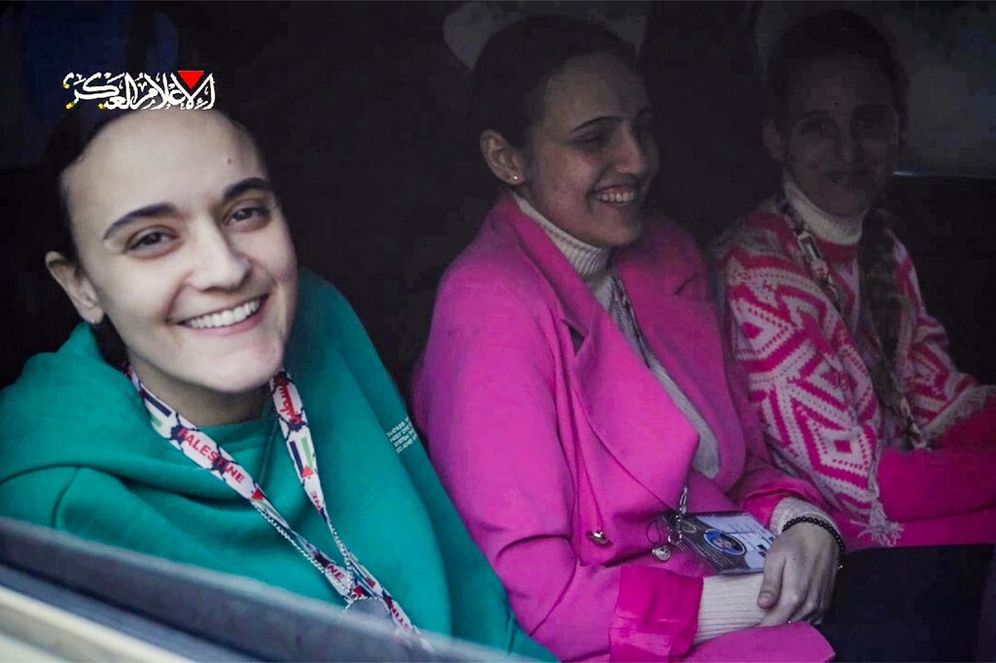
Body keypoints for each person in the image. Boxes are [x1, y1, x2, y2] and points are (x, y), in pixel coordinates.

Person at [0, 107, 550, 659]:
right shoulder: (53, 502)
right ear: (81, 287)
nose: (226, 269)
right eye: (151, 239)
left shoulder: (318, 319)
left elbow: (477, 610)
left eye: (245, 212)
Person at [413, 15, 838, 661]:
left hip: (745, 587)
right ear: (506, 158)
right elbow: (542, 603)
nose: (637, 160)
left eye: (643, 127)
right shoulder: (488, 308)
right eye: (595, 139)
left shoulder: (665, 250)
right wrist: (750, 601)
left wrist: (802, 522)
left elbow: (741, 463)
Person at [713, 10, 996, 552]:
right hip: (818, 539)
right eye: (818, 127)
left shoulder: (881, 246)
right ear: (777, 139)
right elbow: (858, 484)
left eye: (868, 122)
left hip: (904, 496)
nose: (848, 152)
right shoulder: (756, 274)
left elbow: (935, 397)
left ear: (900, 127)